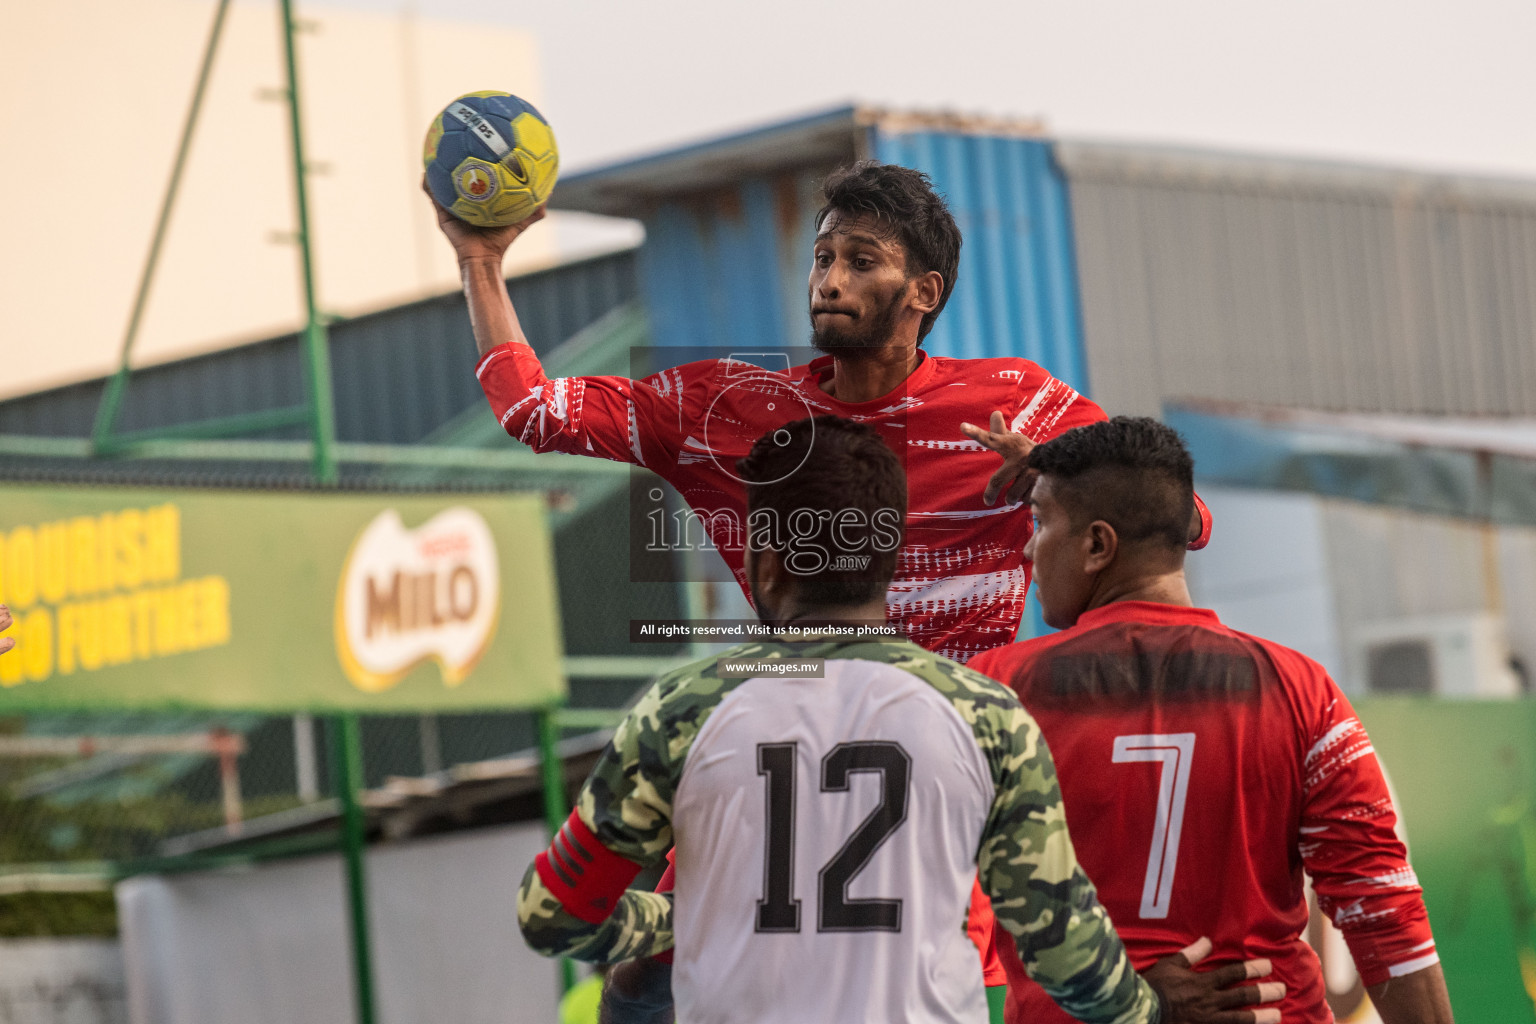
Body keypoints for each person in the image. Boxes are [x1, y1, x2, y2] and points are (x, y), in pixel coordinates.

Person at [517, 416, 1281, 1024]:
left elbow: (552, 916)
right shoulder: (984, 712)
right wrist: (1151, 1009)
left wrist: (681, 913)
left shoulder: (682, 708)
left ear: (770, 563)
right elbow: (1058, 943)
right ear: (889, 561)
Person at [966, 418, 1456, 1024]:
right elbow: (1382, 907)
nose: (1027, 548)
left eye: (1040, 523)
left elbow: (934, 898)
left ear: (1098, 545)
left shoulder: (992, 688)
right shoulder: (1303, 691)